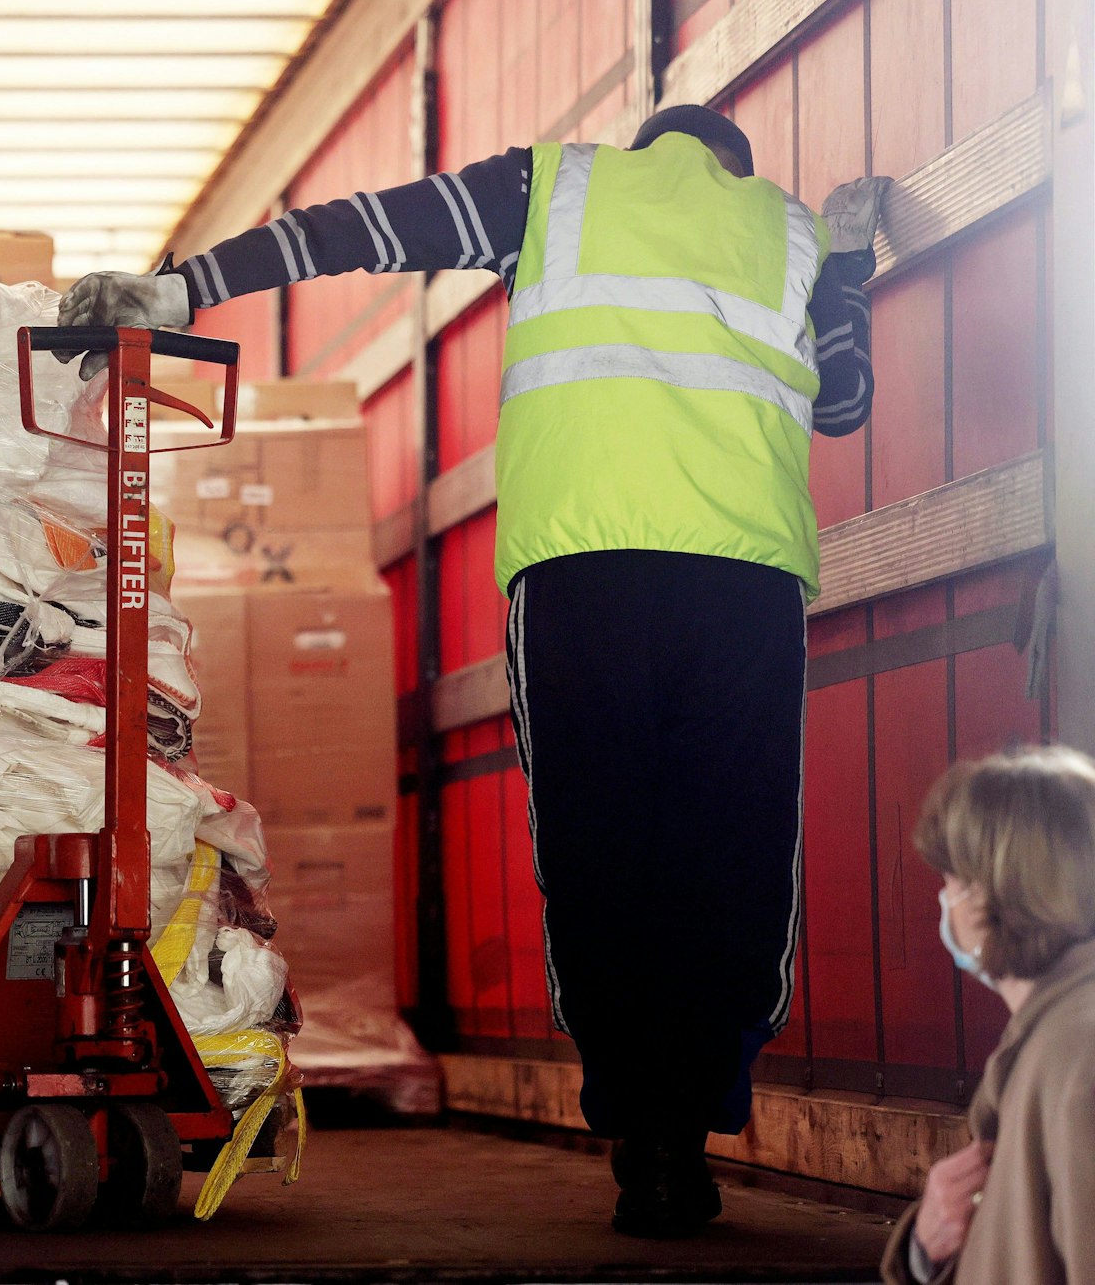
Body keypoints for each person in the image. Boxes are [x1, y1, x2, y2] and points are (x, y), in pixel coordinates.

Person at [56, 104, 890, 1237]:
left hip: (580, 574)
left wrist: (186, 283)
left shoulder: (557, 190)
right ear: (732, 165)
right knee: (727, 855)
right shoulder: (789, 233)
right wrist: (845, 273)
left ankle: (638, 1135)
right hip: (740, 585)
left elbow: (362, 229)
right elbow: (841, 406)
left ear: (646, 149)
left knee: (598, 851)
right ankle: (687, 1127)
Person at [882, 747, 1095, 1284]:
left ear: (988, 894)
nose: (943, 899)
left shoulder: (1081, 1050)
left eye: (950, 880)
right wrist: (924, 1252)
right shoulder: (1049, 1033)